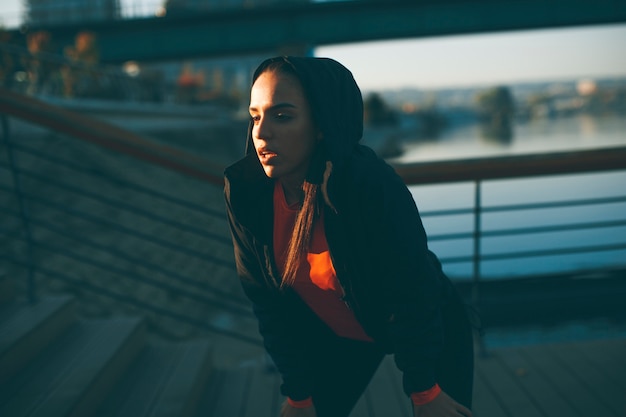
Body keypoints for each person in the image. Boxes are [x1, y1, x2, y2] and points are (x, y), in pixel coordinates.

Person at [224, 56, 474, 417]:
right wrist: (298, 395)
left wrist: (425, 390)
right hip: (337, 334)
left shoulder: (367, 184)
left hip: (427, 327)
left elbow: (412, 290)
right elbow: (269, 304)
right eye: (256, 116)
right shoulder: (247, 194)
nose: (260, 134)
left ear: (322, 124)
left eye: (282, 116)